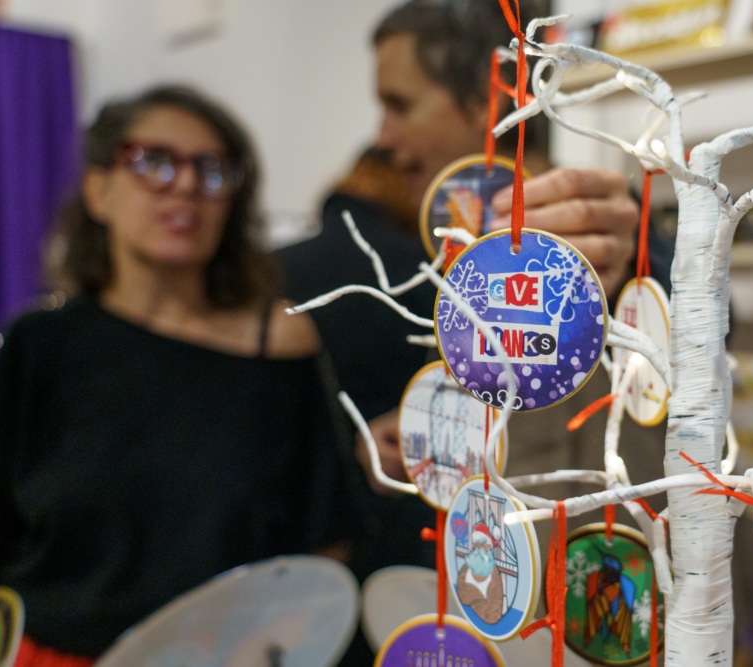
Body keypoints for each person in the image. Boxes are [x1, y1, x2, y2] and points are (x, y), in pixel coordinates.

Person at [279, 0, 674, 595]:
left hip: (607, 602)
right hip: (487, 597)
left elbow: (703, 337)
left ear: (485, 99)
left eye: (399, 105)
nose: (382, 137)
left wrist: (627, 260)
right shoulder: (445, 253)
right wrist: (421, 439)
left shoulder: (618, 235)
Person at [0, 85, 359, 664]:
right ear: (98, 190)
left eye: (212, 170)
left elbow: (323, 542)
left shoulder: (277, 343)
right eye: (154, 162)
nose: (187, 185)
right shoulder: (40, 346)